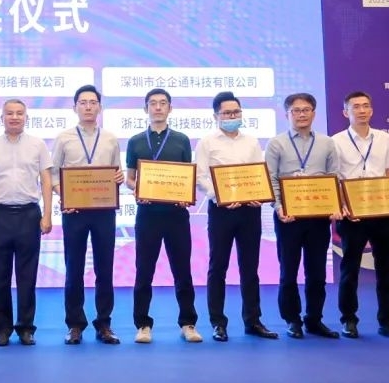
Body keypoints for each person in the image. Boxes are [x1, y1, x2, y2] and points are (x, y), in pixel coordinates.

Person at [196, 90, 278, 342]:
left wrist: (258, 194)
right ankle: (218, 323)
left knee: (250, 267)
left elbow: (257, 174)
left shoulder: (251, 142)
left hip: (249, 211)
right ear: (216, 116)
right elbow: (200, 176)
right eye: (227, 113)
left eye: (236, 112)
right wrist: (218, 196)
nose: (232, 117)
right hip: (221, 210)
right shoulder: (207, 142)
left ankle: (253, 321)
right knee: (217, 267)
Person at [125, 88, 203, 345]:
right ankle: (143, 324)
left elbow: (186, 176)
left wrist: (185, 194)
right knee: (143, 271)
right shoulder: (135, 141)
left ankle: (188, 323)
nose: (158, 107)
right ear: (145, 109)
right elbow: (129, 178)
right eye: (153, 103)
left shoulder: (181, 140)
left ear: (170, 108)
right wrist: (138, 190)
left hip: (176, 215)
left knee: (182, 271)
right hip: (147, 215)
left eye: (162, 103)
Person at [331, 91, 389, 340]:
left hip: (382, 212)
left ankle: (388, 322)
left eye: (366, 106)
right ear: (346, 112)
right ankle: (348, 320)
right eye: (356, 106)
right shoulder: (336, 141)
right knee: (350, 269)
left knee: (386, 270)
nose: (362, 110)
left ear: (372, 110)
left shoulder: (384, 138)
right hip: (352, 215)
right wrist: (342, 206)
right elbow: (333, 179)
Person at [264, 93, 342, 339]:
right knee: (288, 271)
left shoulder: (327, 143)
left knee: (317, 272)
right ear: (287, 114)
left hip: (318, 217)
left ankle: (314, 319)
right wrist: (279, 207)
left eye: (306, 110)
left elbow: (334, 176)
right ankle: (292, 320)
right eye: (296, 110)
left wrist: (334, 205)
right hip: (288, 217)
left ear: (314, 113)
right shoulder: (276, 143)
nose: (301, 114)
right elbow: (271, 178)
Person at [0, 99, 53, 346]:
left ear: (26, 117)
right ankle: (2, 328)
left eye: (20, 113)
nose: (15, 117)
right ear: (2, 117)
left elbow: (47, 181)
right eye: (9, 113)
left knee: (27, 276)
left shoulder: (38, 145)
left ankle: (26, 327)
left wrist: (48, 214)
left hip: (29, 215)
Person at [52, 85, 124, 345]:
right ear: (75, 108)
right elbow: (53, 175)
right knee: (74, 269)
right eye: (83, 102)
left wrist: (119, 177)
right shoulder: (64, 138)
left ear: (100, 108)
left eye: (93, 102)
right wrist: (64, 196)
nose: (88, 107)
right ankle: (75, 324)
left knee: (105, 268)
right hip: (75, 212)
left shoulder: (110, 138)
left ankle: (104, 323)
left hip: (104, 212)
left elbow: (116, 172)